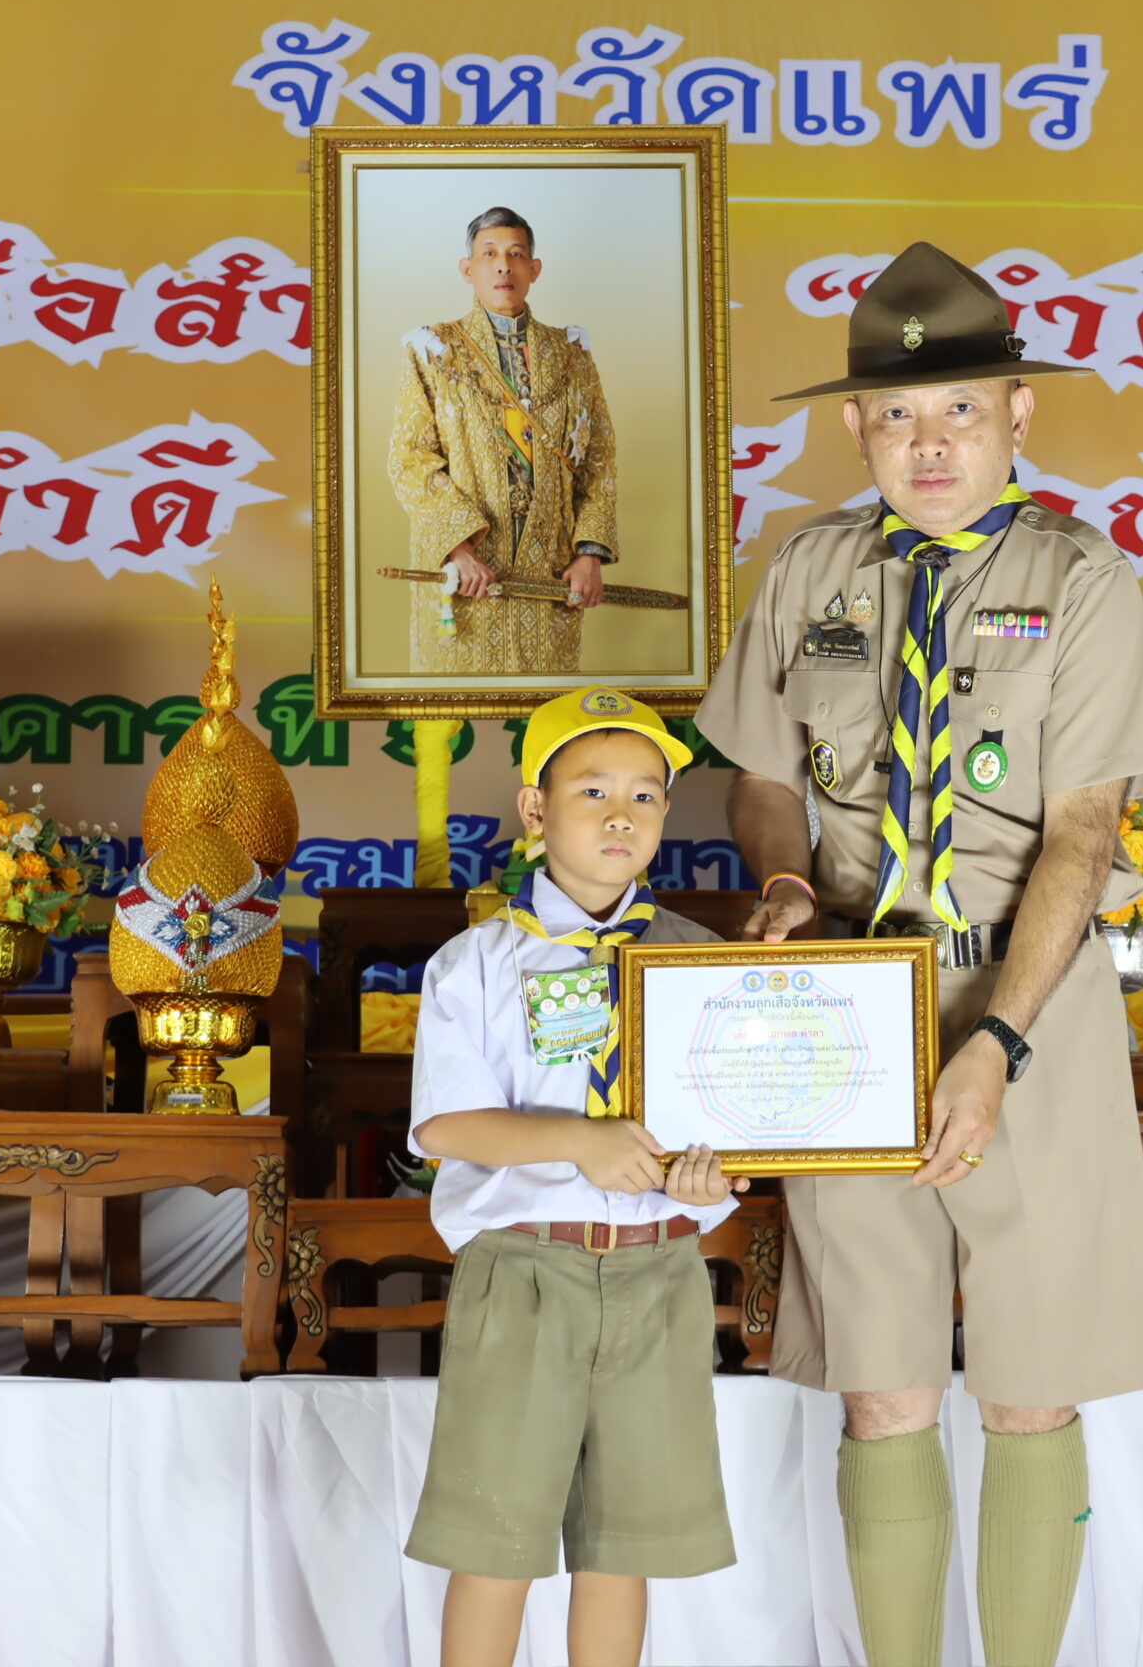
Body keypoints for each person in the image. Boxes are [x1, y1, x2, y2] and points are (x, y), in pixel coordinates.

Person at [694, 242, 1143, 1667]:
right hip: (850, 1001)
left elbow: (1082, 832)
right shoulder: (810, 567)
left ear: (1019, 411)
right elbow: (760, 772)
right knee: (881, 1385)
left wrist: (998, 1041)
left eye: (961, 409)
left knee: (1032, 1385)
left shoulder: (1083, 580)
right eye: (899, 415)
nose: (930, 443)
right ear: (856, 425)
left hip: (1031, 998)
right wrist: (784, 874)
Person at [404, 684, 748, 1667]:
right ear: (535, 808)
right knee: (495, 1541)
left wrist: (706, 1183)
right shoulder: (475, 962)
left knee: (621, 1550)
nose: (619, 815)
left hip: (659, 1271)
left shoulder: (698, 960)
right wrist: (577, 1141)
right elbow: (445, 1123)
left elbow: (723, 1129)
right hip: (524, 1272)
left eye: (645, 795)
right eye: (592, 789)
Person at [388, 206, 620, 676]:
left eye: (515, 255)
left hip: (550, 570)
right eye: (489, 254)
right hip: (467, 572)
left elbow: (598, 460)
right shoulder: (434, 351)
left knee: (547, 706)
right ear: (467, 269)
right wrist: (459, 548)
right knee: (452, 708)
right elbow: (411, 459)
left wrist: (589, 554)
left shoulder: (571, 356)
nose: (502, 266)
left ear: (534, 269)